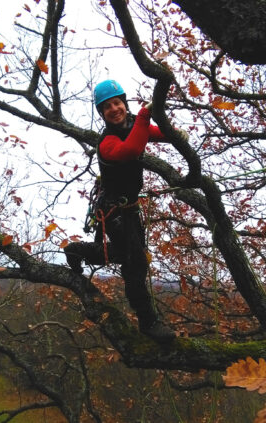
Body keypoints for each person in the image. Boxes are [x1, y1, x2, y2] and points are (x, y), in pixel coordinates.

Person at [64, 79, 176, 342]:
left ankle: (77, 250)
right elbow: (132, 150)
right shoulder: (107, 142)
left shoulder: (133, 123)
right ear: (102, 114)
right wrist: (147, 115)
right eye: (107, 107)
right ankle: (148, 323)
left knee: (124, 256)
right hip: (115, 212)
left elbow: (157, 134)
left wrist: (174, 132)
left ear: (124, 103)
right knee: (135, 264)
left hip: (130, 208)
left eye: (117, 103)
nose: (114, 109)